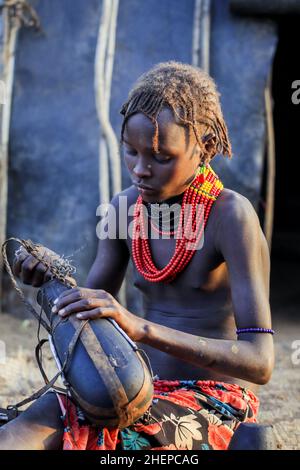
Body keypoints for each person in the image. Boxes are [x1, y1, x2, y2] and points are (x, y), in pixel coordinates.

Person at [0, 61, 274, 450]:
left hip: (214, 403)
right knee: (48, 414)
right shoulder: (124, 210)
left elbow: (260, 363)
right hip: (129, 391)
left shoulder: (231, 216)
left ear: (206, 146)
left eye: (161, 157)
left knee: (66, 428)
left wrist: (141, 328)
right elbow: (85, 322)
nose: (140, 170)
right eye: (131, 152)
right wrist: (50, 280)